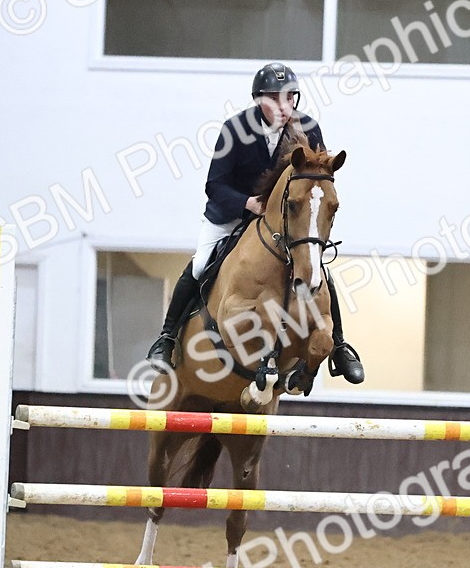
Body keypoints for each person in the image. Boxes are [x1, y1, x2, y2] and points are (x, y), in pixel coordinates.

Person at [145, 61, 364, 384]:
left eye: (290, 98)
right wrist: (249, 203)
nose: (283, 106)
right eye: (274, 98)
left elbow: (315, 176)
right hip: (231, 215)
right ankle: (166, 338)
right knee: (200, 264)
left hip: (284, 221)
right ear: (257, 99)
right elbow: (215, 185)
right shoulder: (235, 130)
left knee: (320, 270)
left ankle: (340, 345)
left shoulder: (308, 129)